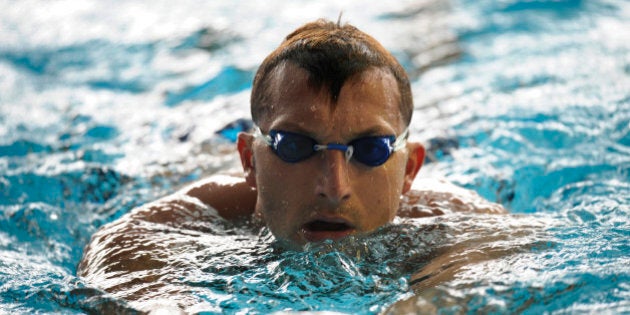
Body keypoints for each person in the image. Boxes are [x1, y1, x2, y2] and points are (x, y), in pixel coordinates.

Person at [78, 19, 505, 312]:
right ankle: (203, 48)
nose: (333, 187)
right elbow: (119, 258)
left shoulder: (457, 221)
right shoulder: (197, 219)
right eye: (296, 146)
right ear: (249, 160)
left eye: (371, 150)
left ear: (410, 170)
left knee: (443, 74)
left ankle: (433, 32)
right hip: (197, 147)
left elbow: (493, 277)